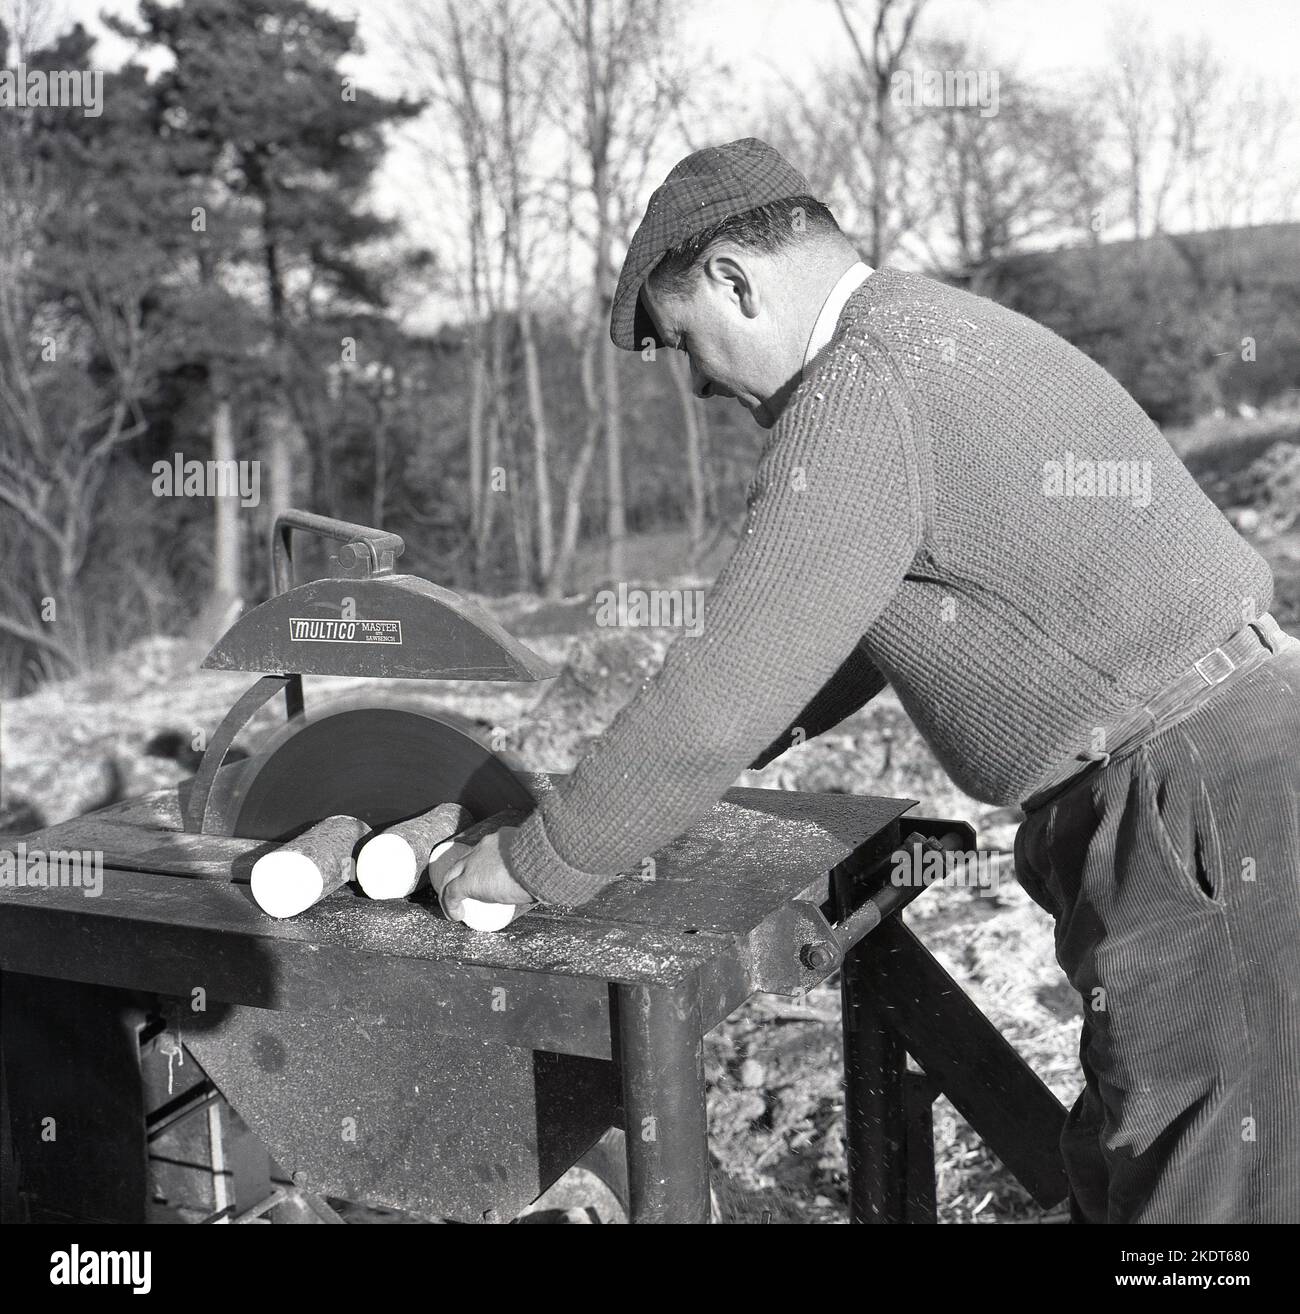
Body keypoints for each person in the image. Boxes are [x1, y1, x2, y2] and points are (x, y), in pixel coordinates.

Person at [441, 137, 1300, 1223]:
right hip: (1217, 772)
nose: (700, 384)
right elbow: (832, 625)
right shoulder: (926, 334)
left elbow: (720, 689)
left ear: (733, 280)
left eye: (684, 345)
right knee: (1141, 1183)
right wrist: (686, 760)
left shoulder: (860, 386)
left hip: (1196, 801)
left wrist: (532, 865)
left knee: (1204, 1209)